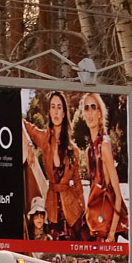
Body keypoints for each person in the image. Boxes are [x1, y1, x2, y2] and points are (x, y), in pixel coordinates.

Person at [22, 91, 88, 241]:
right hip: (52, 209)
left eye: (59, 107)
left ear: (64, 113)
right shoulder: (44, 138)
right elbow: (22, 123)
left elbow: (78, 183)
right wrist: (28, 144)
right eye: (53, 107)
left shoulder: (73, 149)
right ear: (49, 111)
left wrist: (84, 209)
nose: (56, 111)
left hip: (72, 211)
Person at [79, 91, 128, 244]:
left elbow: (117, 195)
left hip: (107, 230)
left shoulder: (104, 146)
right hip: (95, 225)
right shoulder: (89, 151)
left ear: (100, 113)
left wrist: (112, 234)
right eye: (86, 108)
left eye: (93, 107)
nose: (90, 112)